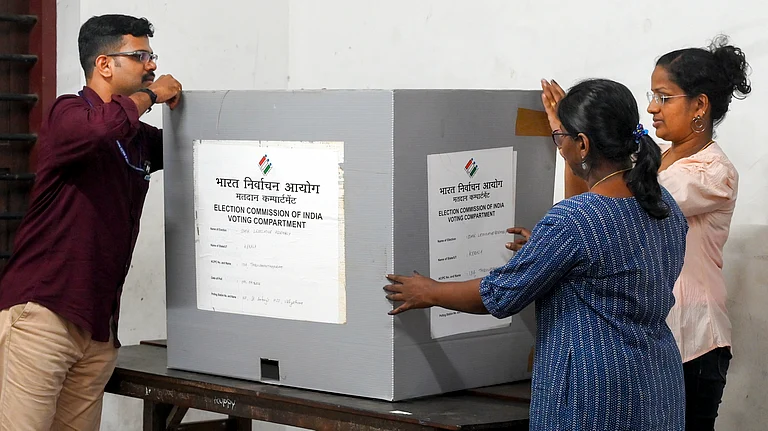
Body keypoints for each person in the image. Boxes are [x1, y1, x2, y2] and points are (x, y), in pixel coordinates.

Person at [384, 79, 688, 430]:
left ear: (584, 145)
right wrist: (545, 253)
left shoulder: (574, 220)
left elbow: (501, 295)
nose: (560, 148)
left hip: (592, 391)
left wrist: (429, 291)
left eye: (561, 139)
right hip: (658, 385)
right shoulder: (664, 205)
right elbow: (623, 267)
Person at [541, 35, 750, 431]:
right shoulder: (645, 157)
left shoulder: (710, 173)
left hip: (692, 339)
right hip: (648, 343)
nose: (652, 108)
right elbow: (590, 209)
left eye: (664, 97)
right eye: (651, 96)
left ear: (699, 106)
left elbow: (609, 212)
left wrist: (576, 141)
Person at [0, 14, 182, 430]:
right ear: (104, 65)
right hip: (44, 319)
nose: (151, 65)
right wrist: (152, 95)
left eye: (151, 57)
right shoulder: (69, 115)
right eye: (140, 56)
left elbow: (186, 147)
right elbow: (103, 130)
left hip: (98, 333)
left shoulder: (135, 137)